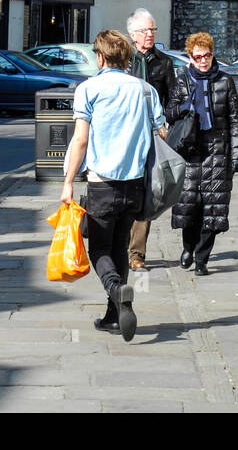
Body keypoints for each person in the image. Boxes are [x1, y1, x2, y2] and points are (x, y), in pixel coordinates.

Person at [61, 28, 166, 341]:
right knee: (120, 246)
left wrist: (68, 181)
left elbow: (80, 139)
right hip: (135, 185)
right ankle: (113, 316)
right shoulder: (146, 90)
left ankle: (116, 288)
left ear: (100, 56)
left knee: (100, 249)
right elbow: (162, 132)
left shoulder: (89, 89)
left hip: (102, 183)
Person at [165, 31, 238, 274]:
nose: (203, 60)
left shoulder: (225, 81)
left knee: (213, 208)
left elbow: (234, 120)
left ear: (212, 55)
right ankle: (188, 247)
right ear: (190, 57)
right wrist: (184, 105)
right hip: (189, 151)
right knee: (189, 205)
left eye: (207, 55)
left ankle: (202, 259)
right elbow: (169, 113)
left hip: (217, 151)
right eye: (198, 56)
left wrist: (237, 153)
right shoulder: (182, 80)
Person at [126, 7, 176, 272]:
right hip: (125, 136)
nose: (150, 35)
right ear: (133, 35)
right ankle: (116, 245)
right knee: (124, 190)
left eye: (153, 30)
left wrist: (164, 125)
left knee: (147, 191)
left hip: (152, 135)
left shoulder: (164, 62)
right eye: (145, 30)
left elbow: (173, 98)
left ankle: (137, 255)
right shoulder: (123, 60)